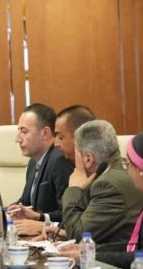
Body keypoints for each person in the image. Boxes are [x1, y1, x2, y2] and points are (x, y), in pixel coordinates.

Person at [55, 121, 143, 250]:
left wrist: (73, 189)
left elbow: (79, 234)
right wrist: (64, 232)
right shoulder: (114, 171)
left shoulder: (108, 184)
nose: (70, 158)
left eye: (77, 152)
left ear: (88, 158)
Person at [8, 103, 74, 235]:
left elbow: (68, 214)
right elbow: (25, 202)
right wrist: (5, 211)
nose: (17, 139)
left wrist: (41, 220)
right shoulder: (33, 162)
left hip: (54, 238)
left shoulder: (59, 160)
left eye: (24, 131)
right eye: (18, 131)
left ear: (45, 133)